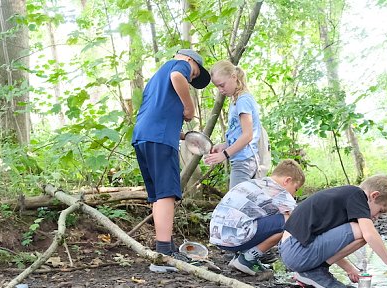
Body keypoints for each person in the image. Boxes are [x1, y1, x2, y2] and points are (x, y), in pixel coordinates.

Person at [131, 49, 210, 272]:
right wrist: (189, 107)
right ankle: (164, 252)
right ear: (190, 61)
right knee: (167, 193)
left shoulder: (155, 80)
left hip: (143, 137)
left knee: (157, 196)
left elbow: (156, 114)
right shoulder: (180, 66)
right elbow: (178, 77)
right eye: (195, 74)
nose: (192, 78)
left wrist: (184, 135)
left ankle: (164, 246)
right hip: (159, 140)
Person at [280, 175, 387, 288]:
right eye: (380, 211)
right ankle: (314, 273)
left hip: (293, 250)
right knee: (363, 231)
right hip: (296, 249)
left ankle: (314, 272)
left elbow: (328, 246)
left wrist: (349, 269)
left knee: (360, 230)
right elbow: (369, 234)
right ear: (374, 195)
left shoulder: (345, 199)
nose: (376, 217)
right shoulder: (357, 195)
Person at [210, 160, 305, 275]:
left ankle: (241, 256)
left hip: (217, 236)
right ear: (287, 180)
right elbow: (299, 218)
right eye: (295, 189)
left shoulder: (252, 183)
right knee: (288, 221)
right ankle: (247, 259)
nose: (293, 195)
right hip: (236, 238)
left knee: (264, 218)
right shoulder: (279, 191)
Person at [203, 60, 262, 189]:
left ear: (234, 77)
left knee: (234, 204)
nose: (220, 90)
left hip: (245, 161)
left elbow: (248, 136)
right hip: (241, 159)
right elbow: (240, 134)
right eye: (217, 87)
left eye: (222, 85)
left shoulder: (243, 100)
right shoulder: (236, 100)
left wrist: (224, 155)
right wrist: (224, 146)